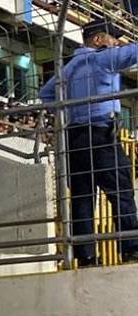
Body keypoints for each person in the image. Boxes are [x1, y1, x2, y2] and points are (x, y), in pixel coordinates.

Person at [38, 18, 138, 265]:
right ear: (97, 39)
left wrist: (72, 109)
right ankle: (132, 247)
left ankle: (86, 257)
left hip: (75, 137)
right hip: (101, 134)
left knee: (82, 198)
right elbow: (134, 52)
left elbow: (45, 94)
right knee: (121, 191)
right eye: (112, 38)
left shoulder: (69, 68)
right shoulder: (103, 59)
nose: (115, 43)